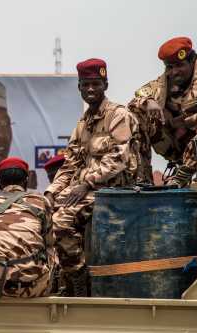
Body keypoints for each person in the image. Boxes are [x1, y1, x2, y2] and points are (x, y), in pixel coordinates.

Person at [44, 58, 140, 296]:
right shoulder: (82, 124)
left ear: (105, 85)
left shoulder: (118, 115)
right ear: (79, 87)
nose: (90, 89)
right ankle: (61, 279)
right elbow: (70, 164)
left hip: (114, 190)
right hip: (87, 189)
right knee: (43, 215)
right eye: (85, 84)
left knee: (61, 222)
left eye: (95, 84)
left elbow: (119, 158)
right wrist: (49, 194)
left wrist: (86, 183)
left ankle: (78, 278)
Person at [128, 36, 197, 187]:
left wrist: (187, 120)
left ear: (192, 61)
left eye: (179, 65)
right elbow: (134, 101)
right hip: (178, 147)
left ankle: (182, 175)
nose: (174, 72)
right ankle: (143, 180)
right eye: (170, 67)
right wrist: (149, 102)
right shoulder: (163, 83)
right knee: (135, 116)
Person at [0, 157, 55, 298]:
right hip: (35, 288)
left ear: (0, 184)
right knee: (51, 248)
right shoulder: (41, 201)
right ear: (26, 182)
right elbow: (49, 241)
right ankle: (49, 290)